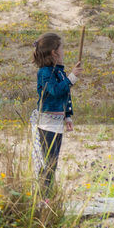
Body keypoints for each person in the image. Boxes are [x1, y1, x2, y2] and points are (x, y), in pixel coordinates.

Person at [32, 32, 81, 191]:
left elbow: (65, 96)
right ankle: (43, 195)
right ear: (54, 53)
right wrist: (72, 78)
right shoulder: (45, 73)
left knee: (54, 160)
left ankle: (48, 193)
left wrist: (68, 116)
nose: (64, 52)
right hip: (46, 124)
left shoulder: (59, 71)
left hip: (57, 123)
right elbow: (54, 91)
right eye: (62, 49)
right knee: (48, 161)